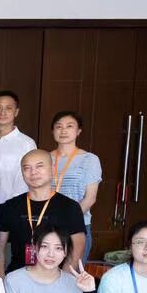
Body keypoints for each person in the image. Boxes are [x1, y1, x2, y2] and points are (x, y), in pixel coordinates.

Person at [0, 150, 86, 276]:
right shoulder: (9, 207)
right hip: (16, 277)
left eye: (39, 166)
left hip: (55, 277)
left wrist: (62, 281)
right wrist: (2, 280)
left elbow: (76, 252)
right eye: (27, 168)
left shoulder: (70, 207)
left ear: (52, 169)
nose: (33, 172)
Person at [50, 111, 102, 261]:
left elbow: (90, 198)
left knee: (72, 272)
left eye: (69, 126)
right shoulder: (44, 158)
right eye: (59, 126)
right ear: (53, 131)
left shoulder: (89, 159)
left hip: (77, 226)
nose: (63, 130)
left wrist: (65, 221)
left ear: (79, 131)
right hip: (47, 226)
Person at [0, 91, 36, 205]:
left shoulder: (27, 143)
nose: (2, 112)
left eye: (8, 108)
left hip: (15, 205)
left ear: (16, 112)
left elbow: (30, 177)